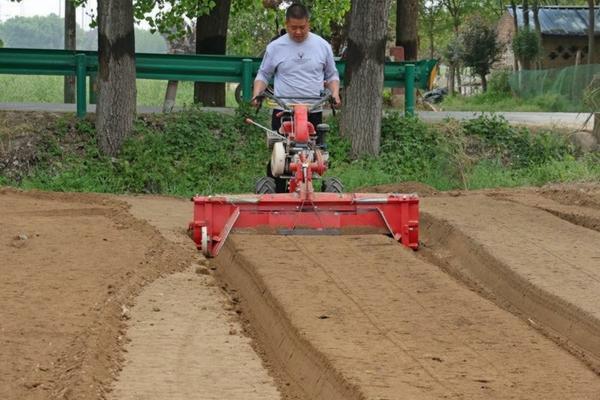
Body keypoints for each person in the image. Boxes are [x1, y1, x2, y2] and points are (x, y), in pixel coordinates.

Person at [252, 2, 341, 144]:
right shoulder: (275, 47)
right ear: (286, 24)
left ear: (308, 24)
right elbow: (263, 74)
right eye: (293, 27)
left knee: (315, 156)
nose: (298, 32)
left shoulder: (323, 46)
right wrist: (256, 94)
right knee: (280, 157)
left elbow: (331, 75)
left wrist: (335, 94)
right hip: (283, 109)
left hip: (313, 110)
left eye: (302, 27)